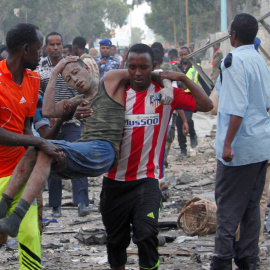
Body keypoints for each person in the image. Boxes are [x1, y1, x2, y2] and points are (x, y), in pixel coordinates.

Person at [0, 51, 175, 239]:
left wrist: (168, 88)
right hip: (86, 149)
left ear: (87, 68)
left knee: (44, 149)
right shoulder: (78, 101)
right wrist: (55, 73)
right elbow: (49, 111)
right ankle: (4, 207)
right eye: (68, 79)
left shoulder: (110, 81)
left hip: (104, 150)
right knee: (36, 149)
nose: (74, 80)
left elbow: (154, 74)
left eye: (75, 72)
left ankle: (16, 217)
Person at [100, 43, 213, 270]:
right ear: (126, 66)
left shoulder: (165, 94)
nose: (138, 73)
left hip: (147, 181)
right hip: (114, 183)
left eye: (144, 67)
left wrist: (182, 77)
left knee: (146, 234)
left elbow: (206, 104)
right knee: (115, 243)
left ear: (154, 67)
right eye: (132, 67)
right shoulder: (114, 94)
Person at [210, 13, 270, 270]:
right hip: (259, 145)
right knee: (251, 207)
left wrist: (227, 145)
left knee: (227, 210)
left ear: (232, 35)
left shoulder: (232, 62)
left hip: (239, 148)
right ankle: (248, 259)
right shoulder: (259, 59)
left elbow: (236, 108)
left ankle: (222, 260)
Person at [0, 23, 60, 270]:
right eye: (38, 49)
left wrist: (41, 146)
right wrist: (37, 141)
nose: (42, 54)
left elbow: (26, 128)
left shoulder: (33, 79)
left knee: (30, 236)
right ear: (25, 49)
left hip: (17, 173)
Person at [38, 32, 90, 217]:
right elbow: (39, 95)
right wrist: (48, 115)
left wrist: (77, 111)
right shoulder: (39, 68)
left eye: (58, 44)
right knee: (52, 159)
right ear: (46, 47)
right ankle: (55, 205)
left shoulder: (72, 65)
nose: (55, 47)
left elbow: (83, 91)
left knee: (77, 155)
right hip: (49, 123)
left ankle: (82, 202)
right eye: (51, 44)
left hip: (72, 120)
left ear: (62, 45)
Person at [176, 46, 199, 157]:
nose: (184, 57)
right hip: (179, 99)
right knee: (179, 123)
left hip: (190, 98)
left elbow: (203, 83)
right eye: (182, 55)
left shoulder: (196, 67)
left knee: (188, 120)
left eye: (185, 54)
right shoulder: (176, 68)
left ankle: (193, 135)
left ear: (189, 54)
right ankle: (183, 149)